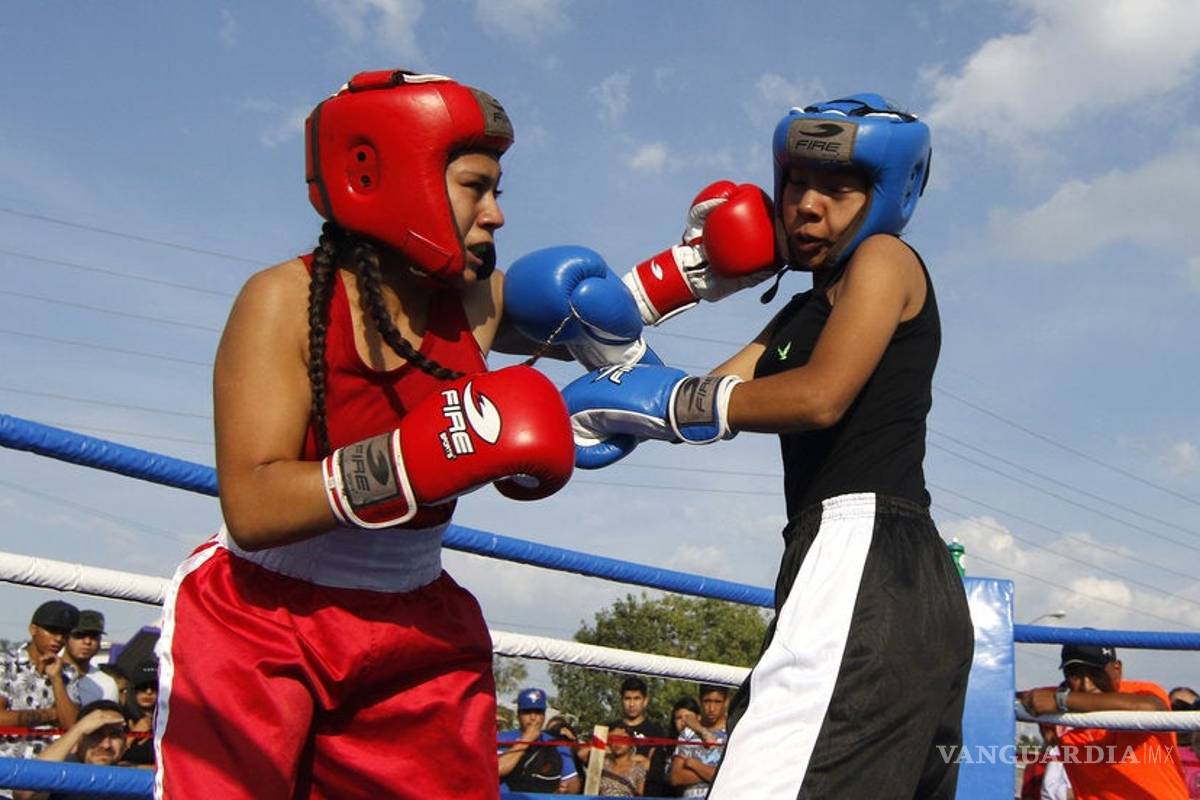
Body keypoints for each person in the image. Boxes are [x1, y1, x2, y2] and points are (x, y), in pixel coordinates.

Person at [153, 69, 575, 800]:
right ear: (391, 176)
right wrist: (417, 458)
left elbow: (591, 313)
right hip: (261, 619)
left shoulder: (470, 301)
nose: (497, 215)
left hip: (416, 622)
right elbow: (253, 507)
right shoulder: (282, 299)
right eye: (477, 186)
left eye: (497, 190)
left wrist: (696, 270)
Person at [560, 94, 974, 798]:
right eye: (796, 184)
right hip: (878, 578)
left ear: (886, 195)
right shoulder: (799, 309)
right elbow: (706, 396)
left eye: (838, 188)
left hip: (866, 554)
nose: (807, 205)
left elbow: (820, 396)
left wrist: (678, 401)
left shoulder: (885, 257)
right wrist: (661, 297)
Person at [1021, 643, 1187, 800]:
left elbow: (1152, 709)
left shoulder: (1142, 692)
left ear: (1117, 669)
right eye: (1075, 674)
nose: (1086, 685)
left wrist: (1063, 701)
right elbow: (1007, 698)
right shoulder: (1053, 700)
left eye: (1095, 672)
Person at [0, 600, 81, 763]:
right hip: (7, 769)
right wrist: (50, 714)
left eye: (64, 633)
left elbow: (73, 727)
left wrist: (56, 679)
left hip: (49, 771)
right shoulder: (5, 662)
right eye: (52, 630)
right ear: (33, 629)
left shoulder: (68, 672)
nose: (58, 638)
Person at [12, 700, 133, 800]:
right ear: (77, 740)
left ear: (125, 743)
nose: (106, 745)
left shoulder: (134, 780)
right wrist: (78, 729)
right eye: (96, 734)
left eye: (115, 735)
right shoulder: (60, 775)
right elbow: (23, 794)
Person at [497, 688, 581, 794]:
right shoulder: (501, 739)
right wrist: (526, 740)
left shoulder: (556, 744)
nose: (533, 717)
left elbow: (573, 781)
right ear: (518, 715)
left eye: (538, 712)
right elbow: (495, 770)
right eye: (527, 712)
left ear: (544, 715)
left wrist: (565, 790)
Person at [669, 685, 729, 798]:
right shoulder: (689, 733)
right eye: (707, 701)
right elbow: (676, 777)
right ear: (699, 701)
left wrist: (694, 765)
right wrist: (713, 773)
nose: (711, 708)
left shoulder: (732, 733)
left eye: (717, 702)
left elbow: (730, 776)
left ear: (726, 702)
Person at [617, 677, 668, 797]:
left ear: (645, 701)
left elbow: (656, 767)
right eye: (627, 698)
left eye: (636, 698)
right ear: (621, 700)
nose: (631, 704)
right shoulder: (611, 728)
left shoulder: (656, 730)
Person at [63, 610, 118, 707]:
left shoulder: (107, 684)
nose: (87, 641)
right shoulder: (47, 672)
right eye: (80, 635)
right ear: (66, 637)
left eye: (94, 636)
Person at [599, 722, 649, 797]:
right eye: (613, 739)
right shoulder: (601, 763)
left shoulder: (638, 768)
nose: (617, 743)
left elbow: (640, 796)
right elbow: (582, 753)